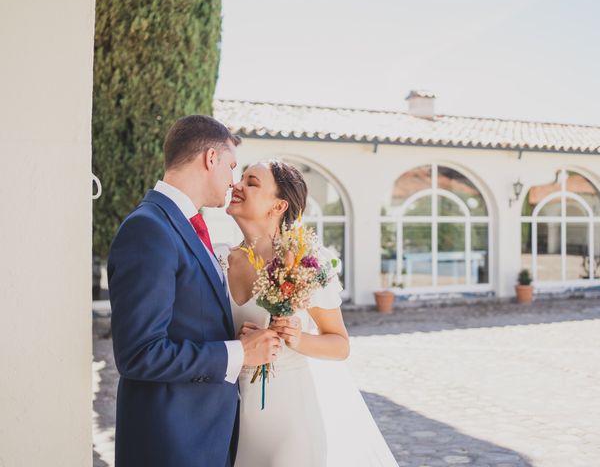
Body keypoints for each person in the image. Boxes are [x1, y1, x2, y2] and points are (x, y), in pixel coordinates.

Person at [107, 115, 281, 467]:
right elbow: (140, 353)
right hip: (170, 443)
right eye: (232, 166)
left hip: (204, 437)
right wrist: (238, 353)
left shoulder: (182, 226)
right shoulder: (148, 229)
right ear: (210, 159)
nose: (233, 181)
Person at [219, 159, 399, 466]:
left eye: (251, 182)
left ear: (278, 206)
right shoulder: (219, 259)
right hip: (235, 422)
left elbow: (340, 344)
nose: (236, 185)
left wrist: (297, 338)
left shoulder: (306, 262)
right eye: (240, 179)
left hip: (294, 424)